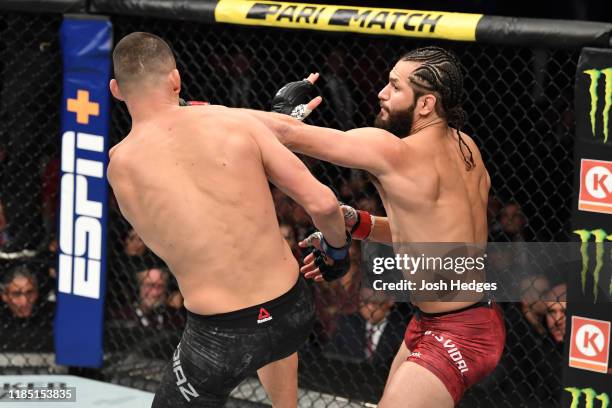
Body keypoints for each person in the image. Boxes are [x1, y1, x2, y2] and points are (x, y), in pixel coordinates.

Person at [251, 47, 506, 407]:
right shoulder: (466, 146)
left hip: (460, 332)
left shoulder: (393, 152)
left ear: (425, 104)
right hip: (452, 319)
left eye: (394, 86)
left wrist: (195, 113)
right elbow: (429, 234)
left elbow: (286, 134)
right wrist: (360, 223)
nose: (380, 93)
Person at [107, 32, 350, 407]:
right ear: (176, 79)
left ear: (116, 90)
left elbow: (161, 242)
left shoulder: (120, 167)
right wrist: (336, 255)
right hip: (293, 310)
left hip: (219, 337)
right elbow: (324, 203)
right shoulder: (234, 123)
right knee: (273, 342)